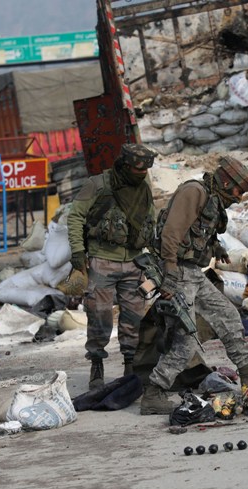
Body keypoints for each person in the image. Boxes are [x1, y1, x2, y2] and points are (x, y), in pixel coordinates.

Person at [140, 156, 248, 415]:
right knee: (186, 340)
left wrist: (215, 247)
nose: (238, 197)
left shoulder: (211, 197)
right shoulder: (193, 192)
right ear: (226, 181)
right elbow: (171, 234)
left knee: (228, 316)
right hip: (179, 272)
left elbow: (199, 230)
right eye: (238, 190)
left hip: (193, 272)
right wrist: (170, 273)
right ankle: (154, 392)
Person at [67, 143, 158, 390]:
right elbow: (75, 216)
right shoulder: (99, 184)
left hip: (135, 262)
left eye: (145, 171)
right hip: (102, 260)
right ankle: (96, 363)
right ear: (125, 165)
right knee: (99, 315)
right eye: (137, 170)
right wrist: (77, 252)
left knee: (135, 317)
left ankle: (131, 365)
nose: (141, 175)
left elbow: (152, 220)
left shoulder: (143, 188)